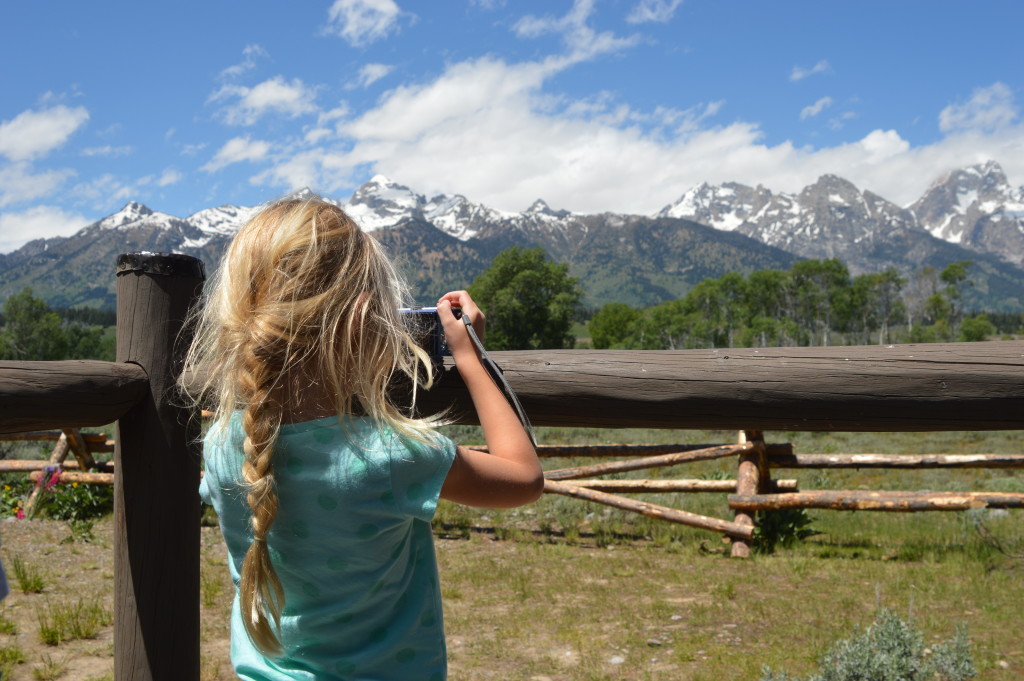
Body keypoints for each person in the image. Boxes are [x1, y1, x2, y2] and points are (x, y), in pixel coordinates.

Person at [181, 197, 542, 680]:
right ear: (363, 318)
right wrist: (471, 357)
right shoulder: (388, 455)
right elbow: (523, 477)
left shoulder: (225, 443)